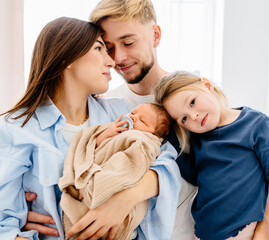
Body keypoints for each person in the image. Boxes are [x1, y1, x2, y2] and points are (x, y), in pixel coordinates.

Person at [87, 1, 269, 239]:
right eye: (109, 47)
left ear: (155, 35)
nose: (119, 58)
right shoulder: (106, 107)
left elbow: (259, 165)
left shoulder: (196, 99)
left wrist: (266, 226)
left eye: (128, 42)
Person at [0, 17, 181, 240]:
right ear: (67, 57)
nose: (112, 62)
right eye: (99, 48)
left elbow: (167, 162)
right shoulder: (15, 129)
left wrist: (128, 197)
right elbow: (5, 227)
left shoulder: (121, 112)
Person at [154, 71, 269, 240]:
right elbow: (194, 177)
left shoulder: (255, 124)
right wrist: (165, 136)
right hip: (201, 233)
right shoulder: (197, 140)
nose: (193, 116)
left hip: (239, 233)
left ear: (207, 86)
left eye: (193, 102)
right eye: (184, 119)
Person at [59, 103, 172, 240]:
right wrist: (106, 133)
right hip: (90, 175)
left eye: (142, 121)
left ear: (154, 134)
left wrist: (93, 182)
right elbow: (91, 144)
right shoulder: (114, 127)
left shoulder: (143, 141)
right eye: (133, 113)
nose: (133, 118)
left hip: (107, 187)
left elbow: (126, 165)